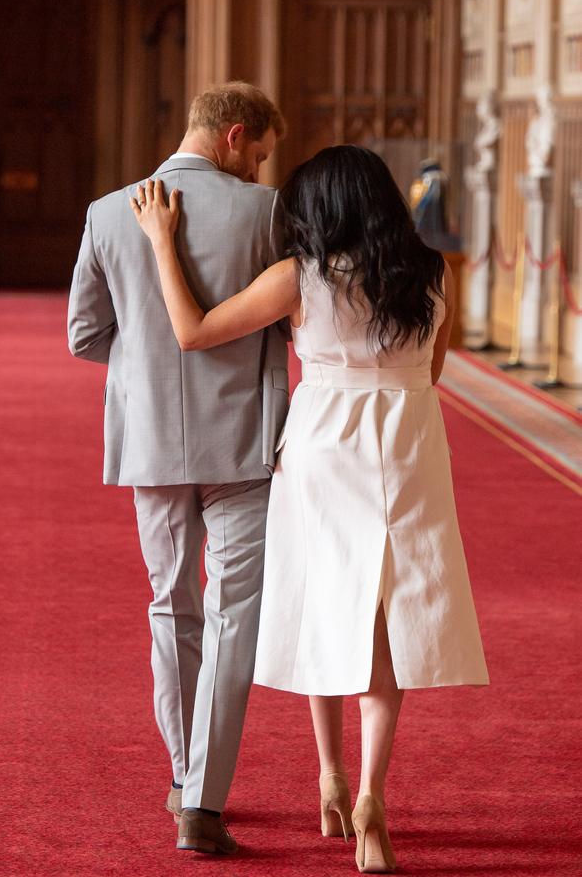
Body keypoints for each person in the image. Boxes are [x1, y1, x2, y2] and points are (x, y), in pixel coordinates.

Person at [131, 144, 489, 874]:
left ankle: (327, 775)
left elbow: (193, 331)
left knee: (328, 608)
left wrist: (164, 243)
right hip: (409, 442)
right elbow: (434, 372)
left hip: (324, 445)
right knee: (389, 622)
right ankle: (368, 797)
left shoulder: (301, 277)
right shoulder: (430, 273)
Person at [67, 82, 289, 856]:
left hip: (151, 441)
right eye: (259, 154)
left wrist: (145, 364)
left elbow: (83, 335)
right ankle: (203, 799)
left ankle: (180, 770)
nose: (263, 169)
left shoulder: (106, 212)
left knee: (171, 604)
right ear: (234, 136)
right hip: (245, 443)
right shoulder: (266, 215)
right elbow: (296, 318)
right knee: (233, 619)